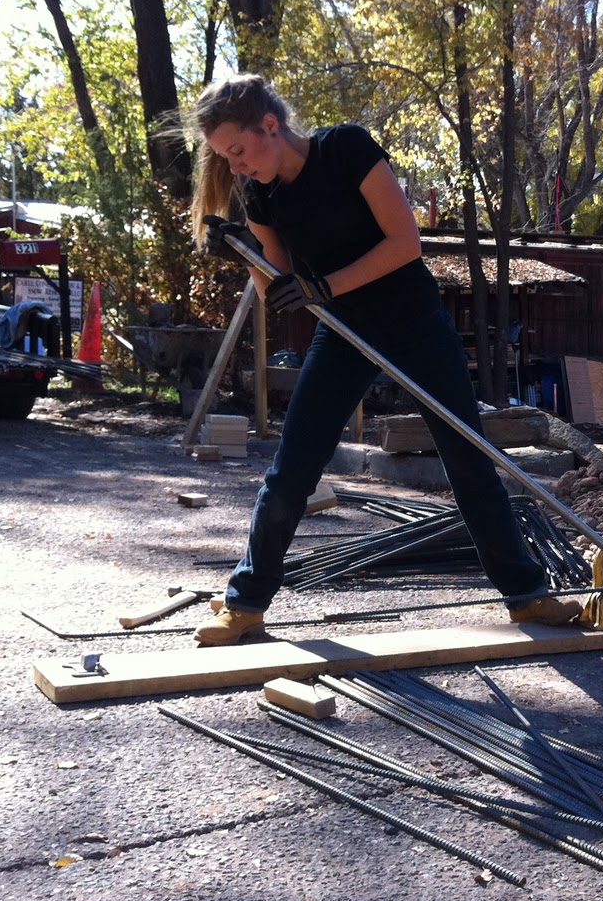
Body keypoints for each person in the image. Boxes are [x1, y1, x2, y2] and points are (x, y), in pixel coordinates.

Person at [187, 73, 581, 645]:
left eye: (239, 152)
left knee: (467, 456)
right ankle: (245, 604)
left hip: (413, 320)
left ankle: (526, 595)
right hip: (343, 330)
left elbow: (404, 243)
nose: (237, 167)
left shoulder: (347, 149)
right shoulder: (259, 195)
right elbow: (278, 285)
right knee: (293, 464)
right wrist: (246, 252)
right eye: (227, 158)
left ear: (269, 125)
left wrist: (324, 287)